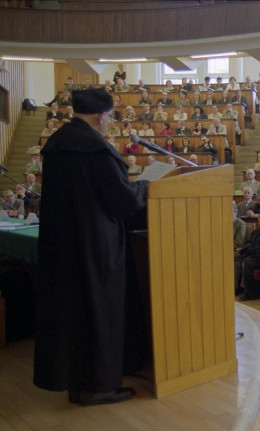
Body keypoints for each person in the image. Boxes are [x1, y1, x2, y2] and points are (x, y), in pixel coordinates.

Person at [35, 89, 149, 406]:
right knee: (101, 312)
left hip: (64, 247)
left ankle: (76, 382)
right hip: (96, 247)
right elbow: (123, 200)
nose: (110, 122)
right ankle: (98, 385)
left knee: (75, 314)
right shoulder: (97, 149)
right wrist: (143, 185)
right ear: (101, 116)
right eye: (110, 117)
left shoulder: (58, 144)